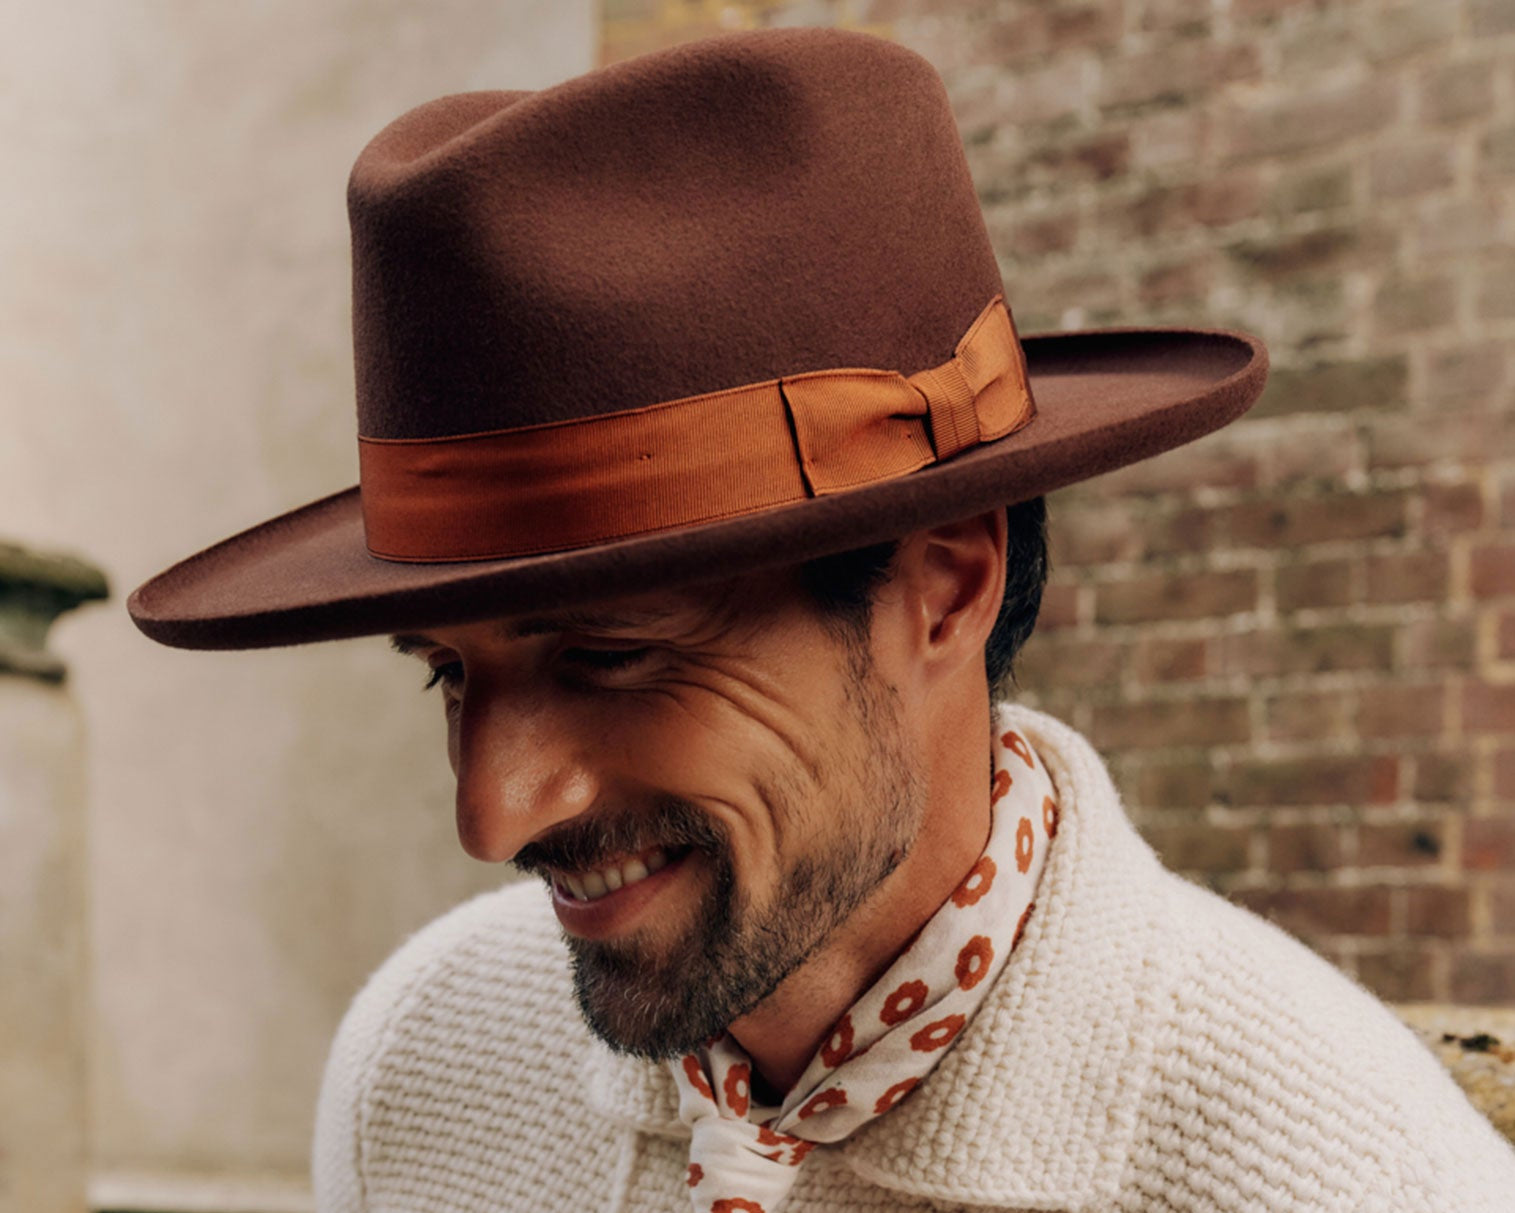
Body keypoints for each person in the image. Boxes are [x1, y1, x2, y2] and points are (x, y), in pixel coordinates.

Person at [129, 27, 1515, 1213]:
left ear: (946, 585)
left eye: (610, 655)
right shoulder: (420, 1070)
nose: (490, 815)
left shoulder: (1349, 1179)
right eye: (447, 672)